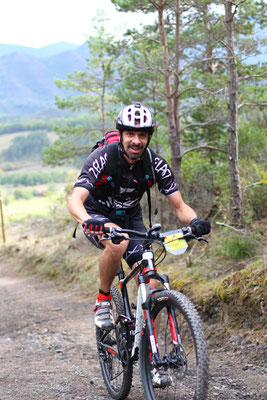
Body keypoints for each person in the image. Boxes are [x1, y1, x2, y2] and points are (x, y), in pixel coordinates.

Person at [68, 103, 211, 331]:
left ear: (148, 137)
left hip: (130, 219)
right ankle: (103, 299)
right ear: (121, 135)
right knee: (118, 242)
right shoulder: (102, 157)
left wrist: (195, 222)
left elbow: (180, 206)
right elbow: (75, 200)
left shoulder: (155, 164)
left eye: (142, 135)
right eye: (130, 134)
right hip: (97, 215)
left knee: (152, 281)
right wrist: (87, 220)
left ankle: (146, 348)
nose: (136, 140)